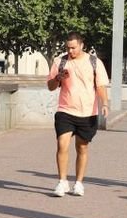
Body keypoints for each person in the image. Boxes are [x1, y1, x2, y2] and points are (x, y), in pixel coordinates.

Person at [46, 32, 109, 198]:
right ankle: (62, 182)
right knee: (62, 144)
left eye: (73, 47)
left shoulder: (94, 62)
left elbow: (101, 86)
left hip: (87, 113)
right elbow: (50, 86)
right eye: (68, 47)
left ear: (81, 45)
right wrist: (58, 77)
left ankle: (79, 183)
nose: (70, 51)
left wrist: (105, 104)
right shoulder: (60, 62)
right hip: (65, 110)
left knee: (82, 147)